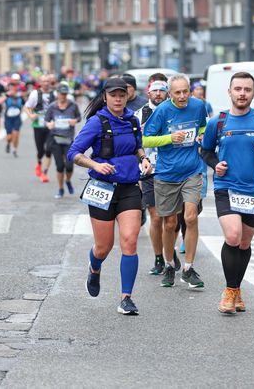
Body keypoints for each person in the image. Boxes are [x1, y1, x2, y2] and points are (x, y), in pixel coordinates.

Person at [68, 78, 151, 315]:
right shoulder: (97, 122)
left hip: (129, 188)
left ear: (127, 97)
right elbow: (73, 152)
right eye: (113, 95)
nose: (118, 99)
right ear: (105, 97)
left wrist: (144, 159)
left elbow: (137, 146)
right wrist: (95, 164)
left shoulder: (132, 120)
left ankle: (126, 298)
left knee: (130, 241)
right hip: (102, 189)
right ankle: (94, 269)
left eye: (122, 95)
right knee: (104, 247)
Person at [201, 72, 254, 314]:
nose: (242, 93)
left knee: (244, 243)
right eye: (238, 89)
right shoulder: (219, 122)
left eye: (247, 89)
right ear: (230, 92)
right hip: (227, 187)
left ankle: (236, 290)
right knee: (233, 236)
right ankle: (229, 290)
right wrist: (216, 165)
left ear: (253, 93)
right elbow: (205, 151)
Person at [143, 73, 208, 289]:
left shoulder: (198, 106)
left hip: (192, 171)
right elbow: (145, 139)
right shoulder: (162, 111)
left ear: (190, 91)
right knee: (169, 223)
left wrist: (201, 135)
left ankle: (188, 268)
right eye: (177, 93)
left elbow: (203, 127)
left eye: (185, 92)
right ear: (170, 94)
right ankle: (170, 264)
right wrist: (170, 138)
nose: (182, 97)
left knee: (190, 218)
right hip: (166, 173)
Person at [134, 79, 180, 274]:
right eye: (156, 91)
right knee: (155, 217)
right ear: (148, 93)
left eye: (163, 90)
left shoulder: (175, 110)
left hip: (172, 169)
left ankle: (169, 249)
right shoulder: (139, 114)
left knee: (171, 220)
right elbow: (136, 142)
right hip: (150, 169)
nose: (159, 94)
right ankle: (158, 257)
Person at [45, 83, 81, 198]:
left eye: (65, 94)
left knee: (69, 166)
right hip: (55, 139)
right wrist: (49, 124)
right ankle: (60, 189)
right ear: (57, 94)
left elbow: (79, 117)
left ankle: (68, 180)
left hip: (68, 139)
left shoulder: (73, 105)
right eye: (61, 94)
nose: (63, 96)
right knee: (60, 166)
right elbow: (46, 120)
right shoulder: (52, 106)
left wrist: (75, 121)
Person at [25, 75, 55, 182]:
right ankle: (38, 162)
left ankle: (44, 173)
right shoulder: (35, 94)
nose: (46, 83)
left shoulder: (54, 94)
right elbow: (27, 107)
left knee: (49, 149)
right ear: (40, 83)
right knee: (40, 150)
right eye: (44, 81)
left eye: (48, 81)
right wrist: (30, 115)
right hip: (38, 125)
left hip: (51, 125)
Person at [2, 77, 24, 156]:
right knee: (9, 137)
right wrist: (7, 95)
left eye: (13, 87)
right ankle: (8, 143)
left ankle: (14, 150)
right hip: (8, 118)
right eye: (10, 87)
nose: (12, 89)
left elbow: (26, 104)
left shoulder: (19, 95)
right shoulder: (6, 95)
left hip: (17, 118)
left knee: (16, 134)